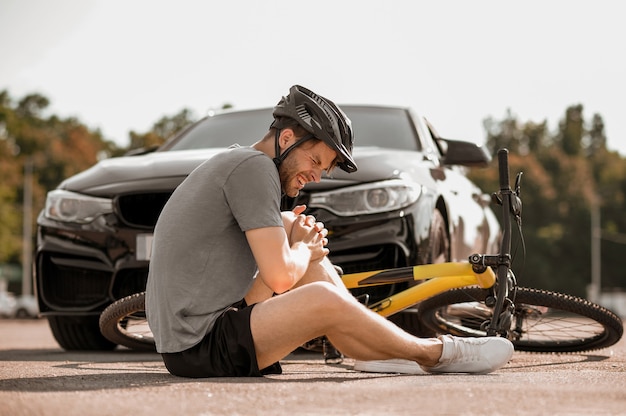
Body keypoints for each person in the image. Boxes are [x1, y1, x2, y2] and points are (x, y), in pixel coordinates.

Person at [145, 85, 514, 378]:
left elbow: (271, 258)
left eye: (323, 169)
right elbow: (277, 275)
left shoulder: (239, 161)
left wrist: (296, 237)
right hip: (201, 346)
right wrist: (304, 249)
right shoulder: (253, 168)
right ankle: (433, 354)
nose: (316, 176)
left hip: (196, 339)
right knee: (321, 294)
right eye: (315, 160)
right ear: (286, 139)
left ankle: (376, 351)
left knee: (291, 226)